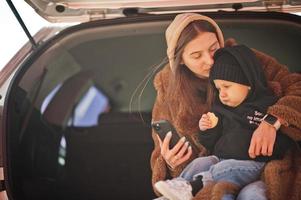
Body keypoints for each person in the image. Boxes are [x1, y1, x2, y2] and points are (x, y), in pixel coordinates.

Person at [150, 13, 301, 200]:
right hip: (209, 169)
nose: (210, 61)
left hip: (260, 166)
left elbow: (297, 87)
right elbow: (161, 152)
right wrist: (171, 162)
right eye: (196, 56)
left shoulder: (245, 61)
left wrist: (272, 121)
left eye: (214, 49)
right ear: (180, 59)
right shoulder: (169, 90)